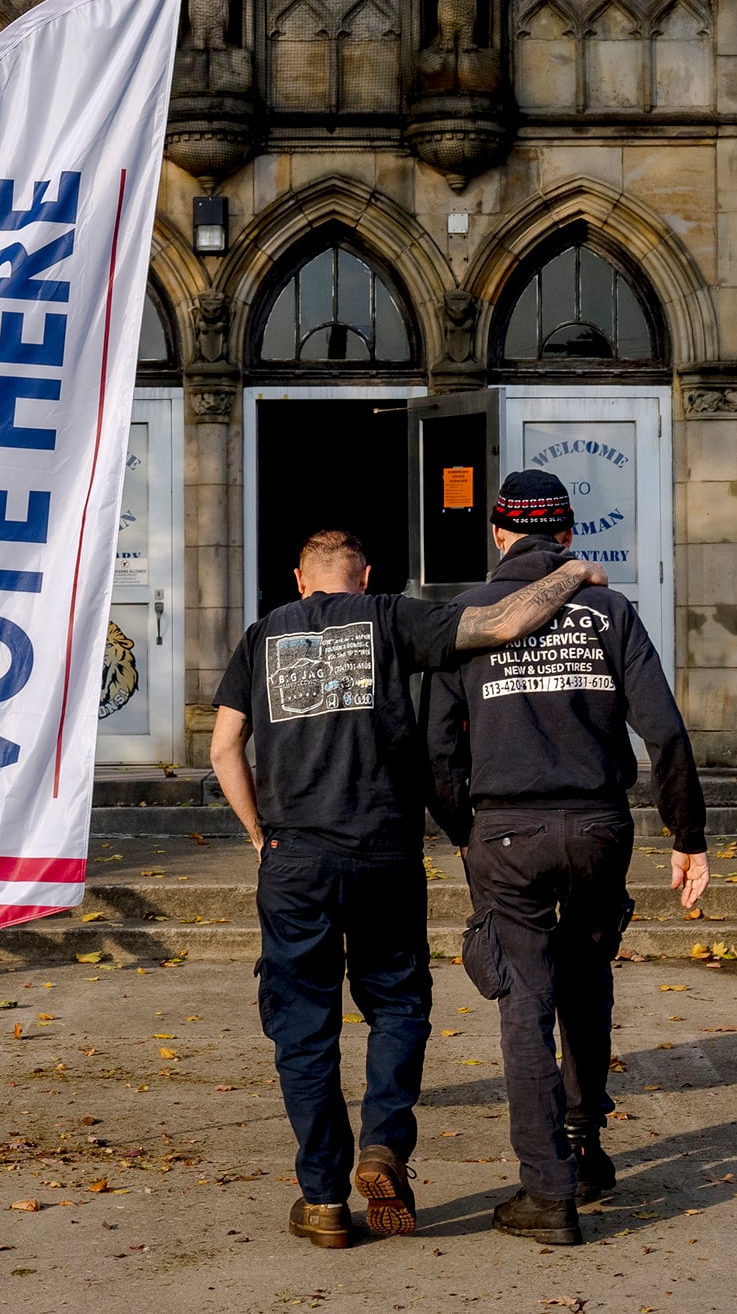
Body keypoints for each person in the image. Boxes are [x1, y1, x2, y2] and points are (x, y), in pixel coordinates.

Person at [210, 527, 608, 1250]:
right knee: (396, 1005)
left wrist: (256, 833)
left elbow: (222, 747)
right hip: (384, 854)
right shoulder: (392, 616)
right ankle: (384, 1144)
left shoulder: (261, 635)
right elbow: (506, 620)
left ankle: (324, 1200)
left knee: (303, 1027)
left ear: (300, 582)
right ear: (364, 577)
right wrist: (572, 572)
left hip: (294, 857)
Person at [427, 470, 709, 1247]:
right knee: (586, 984)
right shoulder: (610, 610)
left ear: (497, 532)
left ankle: (547, 1191)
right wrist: (688, 837)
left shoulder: (467, 618)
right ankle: (585, 1149)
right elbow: (667, 733)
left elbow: (435, 747)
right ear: (570, 536)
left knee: (526, 1003)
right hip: (596, 826)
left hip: (507, 831)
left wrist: (460, 827)